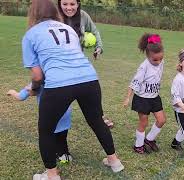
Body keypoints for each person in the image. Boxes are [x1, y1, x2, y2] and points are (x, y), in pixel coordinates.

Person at [22, 0, 123, 179]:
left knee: (46, 130)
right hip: (89, 79)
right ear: (56, 10)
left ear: (34, 13)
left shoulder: (31, 34)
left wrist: (34, 89)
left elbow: (37, 76)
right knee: (97, 121)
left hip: (59, 84)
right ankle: (114, 161)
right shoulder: (68, 29)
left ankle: (52, 175)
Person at [7, 84, 73, 164]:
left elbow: (21, 96)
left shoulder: (37, 82)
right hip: (65, 114)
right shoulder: (61, 80)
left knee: (49, 137)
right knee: (61, 137)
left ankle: (57, 156)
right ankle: (65, 155)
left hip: (50, 116)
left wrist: (12, 92)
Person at [123, 33, 166, 154]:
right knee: (144, 122)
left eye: (161, 58)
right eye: (155, 60)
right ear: (148, 56)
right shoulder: (144, 67)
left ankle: (149, 140)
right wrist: (127, 98)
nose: (158, 62)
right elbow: (134, 83)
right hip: (142, 99)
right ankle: (138, 145)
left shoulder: (161, 61)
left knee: (161, 120)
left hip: (154, 97)